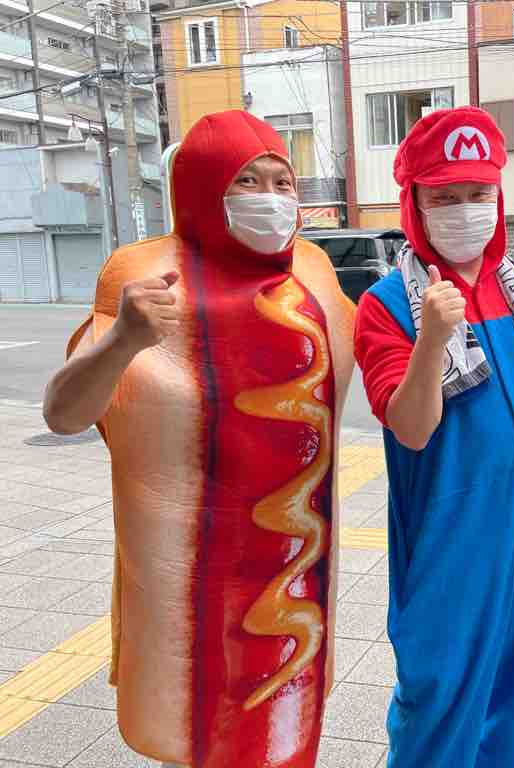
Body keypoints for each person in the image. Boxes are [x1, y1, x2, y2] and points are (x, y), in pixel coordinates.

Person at [42, 110, 356, 768]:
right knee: (194, 730)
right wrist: (124, 339)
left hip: (295, 566)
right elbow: (65, 413)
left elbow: (366, 359)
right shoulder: (144, 273)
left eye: (282, 182)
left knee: (287, 728)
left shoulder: (313, 271)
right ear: (203, 188)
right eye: (247, 180)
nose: (271, 198)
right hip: (187, 575)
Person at [353, 106, 514, 767]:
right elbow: (411, 428)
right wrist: (431, 340)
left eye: (479, 193)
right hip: (451, 537)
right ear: (414, 203)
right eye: (445, 197)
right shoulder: (387, 303)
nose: (466, 210)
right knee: (440, 700)